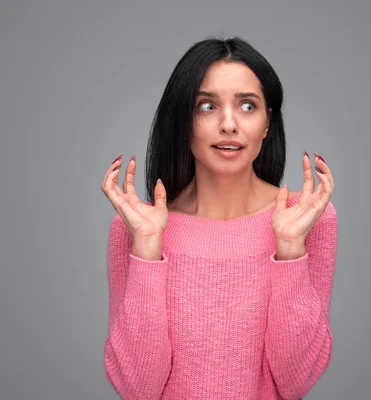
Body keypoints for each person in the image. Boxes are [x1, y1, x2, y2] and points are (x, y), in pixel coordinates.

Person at [100, 36, 337, 400]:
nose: (229, 124)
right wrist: (147, 250)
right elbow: (137, 389)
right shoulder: (136, 225)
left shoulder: (306, 218)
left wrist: (290, 250)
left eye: (247, 106)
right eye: (207, 106)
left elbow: (296, 382)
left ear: (267, 122)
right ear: (183, 121)